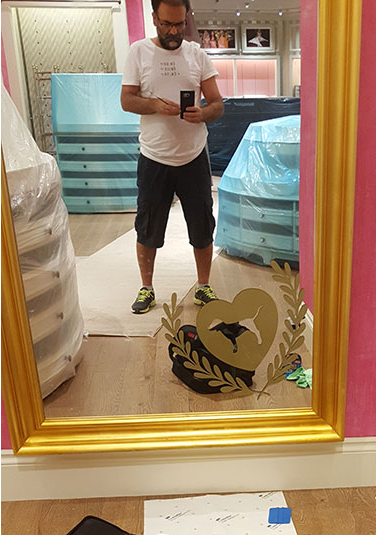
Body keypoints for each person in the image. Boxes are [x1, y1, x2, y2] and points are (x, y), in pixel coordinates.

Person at [121, 0, 224, 314]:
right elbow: (127, 100)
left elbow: (218, 104)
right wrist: (153, 105)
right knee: (148, 225)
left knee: (202, 224)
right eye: (167, 24)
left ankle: (203, 286)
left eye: (179, 24)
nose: (174, 31)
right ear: (154, 18)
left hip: (193, 157)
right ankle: (147, 288)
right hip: (154, 157)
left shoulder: (197, 55)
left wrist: (203, 113)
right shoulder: (138, 52)